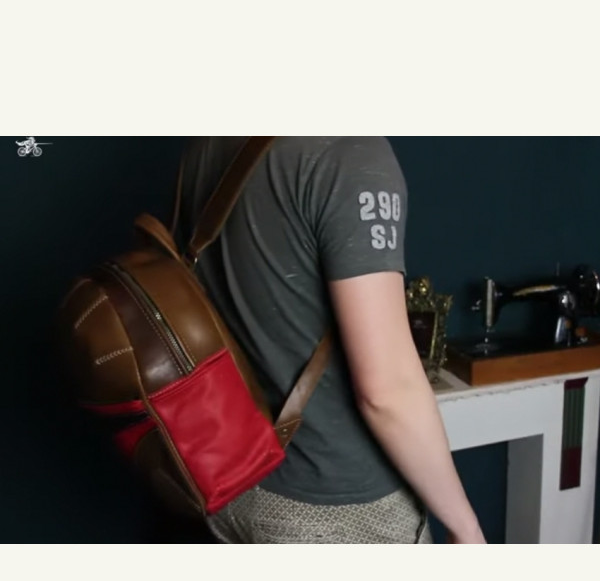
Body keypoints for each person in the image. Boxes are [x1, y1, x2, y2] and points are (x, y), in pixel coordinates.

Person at [177, 137, 486, 544]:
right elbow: (387, 390)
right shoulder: (351, 152)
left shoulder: (208, 143)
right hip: (336, 511)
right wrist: (466, 528)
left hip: (231, 483)